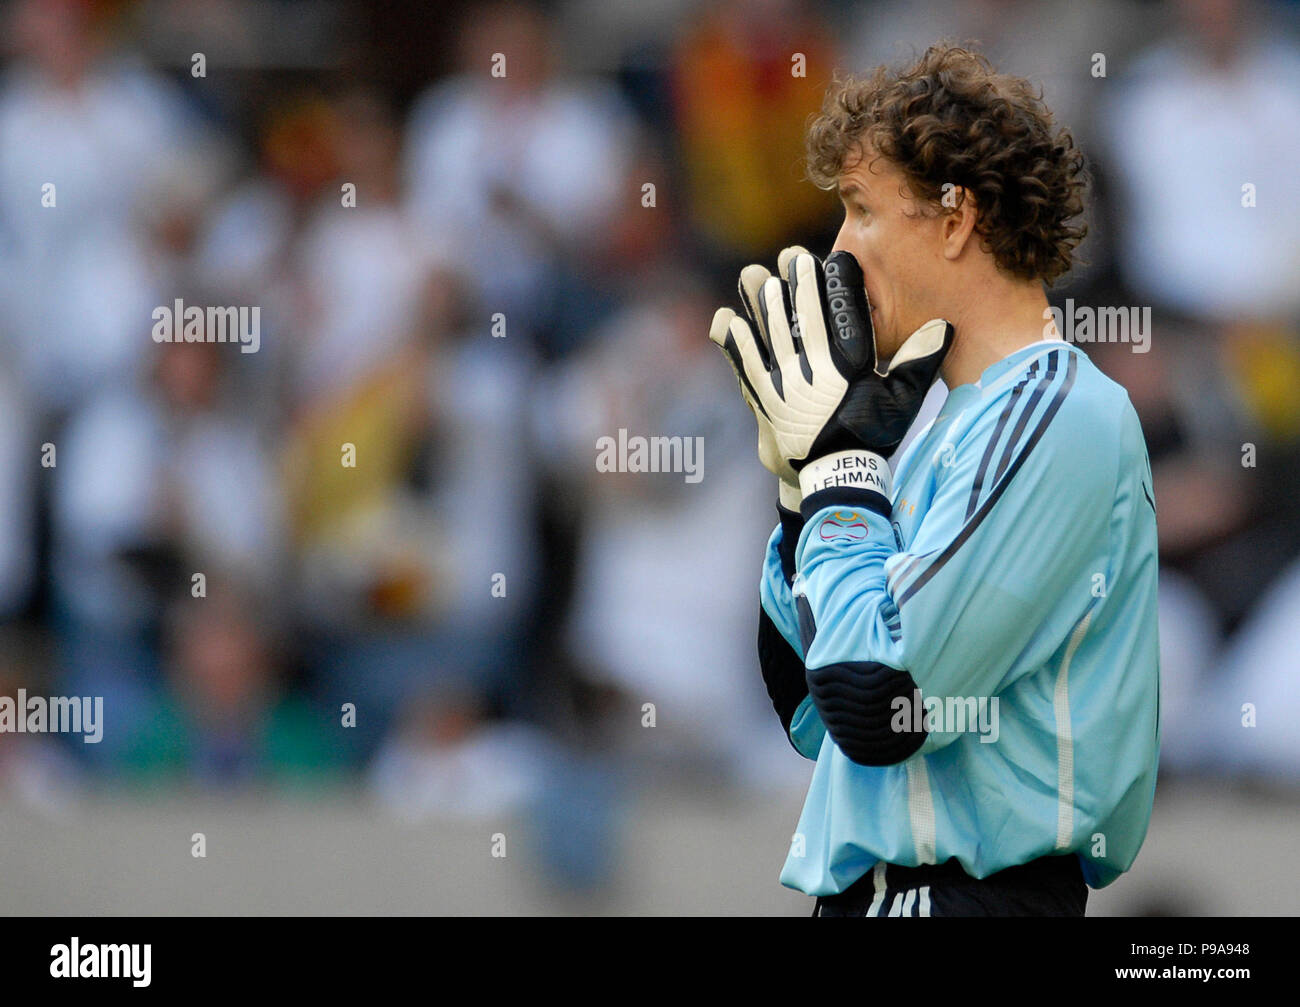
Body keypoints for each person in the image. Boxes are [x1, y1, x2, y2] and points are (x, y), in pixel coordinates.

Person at [709, 44, 1159, 916]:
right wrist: (808, 491)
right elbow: (809, 707)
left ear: (955, 217)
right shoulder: (934, 429)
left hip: (972, 900)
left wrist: (840, 475)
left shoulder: (1059, 410)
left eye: (859, 208)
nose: (835, 245)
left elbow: (881, 706)